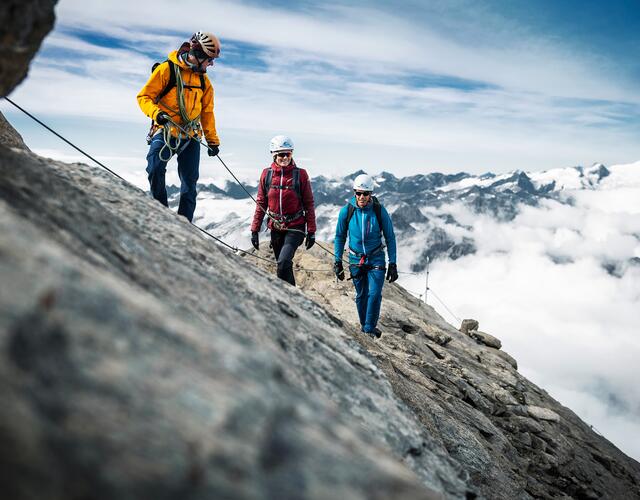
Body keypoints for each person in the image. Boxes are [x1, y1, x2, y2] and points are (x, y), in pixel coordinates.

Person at [137, 31, 221, 222]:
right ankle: (162, 215)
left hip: (190, 135)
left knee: (189, 184)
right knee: (154, 169)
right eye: (209, 59)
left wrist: (213, 141)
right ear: (198, 55)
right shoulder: (167, 70)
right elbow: (144, 97)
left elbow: (207, 113)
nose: (212, 64)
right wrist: (156, 114)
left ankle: (185, 225)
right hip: (165, 130)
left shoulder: (204, 82)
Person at [334, 174, 398, 338]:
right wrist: (337, 261)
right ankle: (364, 326)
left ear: (371, 194)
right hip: (355, 259)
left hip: (376, 257)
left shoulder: (378, 211)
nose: (362, 197)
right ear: (354, 192)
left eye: (365, 193)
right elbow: (340, 237)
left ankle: (369, 328)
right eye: (358, 193)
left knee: (374, 294)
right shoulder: (346, 211)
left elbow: (390, 237)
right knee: (361, 295)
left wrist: (393, 263)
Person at [250, 135, 316, 286]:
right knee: (283, 267)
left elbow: (309, 203)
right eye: (281, 154)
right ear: (274, 155)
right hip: (276, 228)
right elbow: (261, 202)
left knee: (283, 261)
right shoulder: (267, 175)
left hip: (296, 226)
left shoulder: (300, 174)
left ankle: (290, 298)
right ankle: (293, 298)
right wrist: (255, 229)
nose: (285, 157)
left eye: (288, 154)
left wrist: (311, 231)